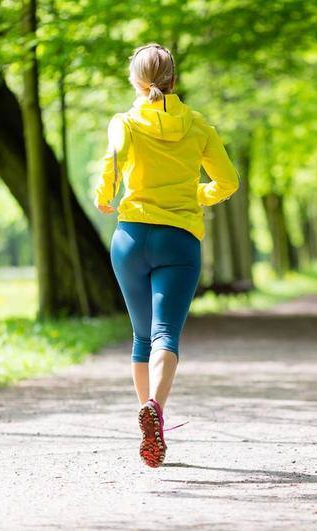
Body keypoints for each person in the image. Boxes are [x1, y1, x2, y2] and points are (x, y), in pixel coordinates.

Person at [93, 43, 239, 468]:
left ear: (136, 81)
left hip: (132, 239)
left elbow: (110, 169)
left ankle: (149, 415)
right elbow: (227, 182)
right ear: (174, 79)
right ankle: (154, 409)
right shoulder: (197, 125)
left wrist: (105, 198)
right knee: (165, 336)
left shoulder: (124, 123)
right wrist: (196, 194)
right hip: (179, 240)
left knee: (140, 337)